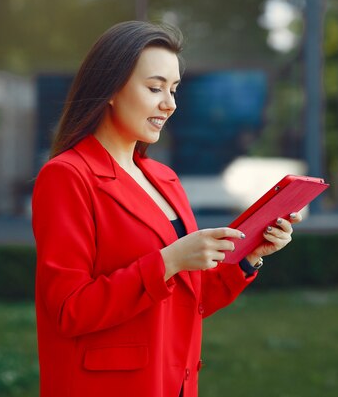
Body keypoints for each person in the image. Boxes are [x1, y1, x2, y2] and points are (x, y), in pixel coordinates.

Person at [31, 20, 302, 397]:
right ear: (109, 88)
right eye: (155, 87)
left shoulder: (165, 179)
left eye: (173, 89)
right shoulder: (67, 176)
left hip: (173, 383)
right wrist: (168, 261)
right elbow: (69, 310)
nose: (169, 103)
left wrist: (249, 256)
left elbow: (194, 298)